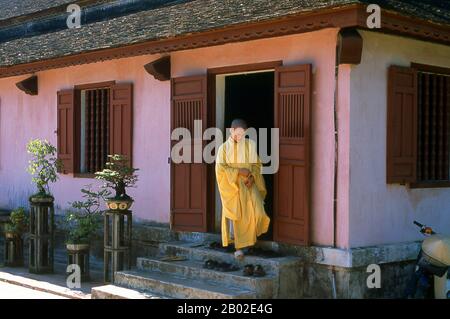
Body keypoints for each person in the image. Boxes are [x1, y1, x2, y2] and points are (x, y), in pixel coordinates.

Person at [215, 119, 270, 260]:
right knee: (237, 218)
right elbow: (221, 169)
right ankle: (239, 248)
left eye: (243, 134)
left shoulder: (249, 146)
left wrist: (252, 177)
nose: (240, 137)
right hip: (233, 187)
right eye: (238, 134)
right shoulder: (223, 149)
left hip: (249, 185)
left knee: (258, 212)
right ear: (231, 131)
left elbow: (256, 165)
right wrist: (239, 171)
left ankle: (250, 241)